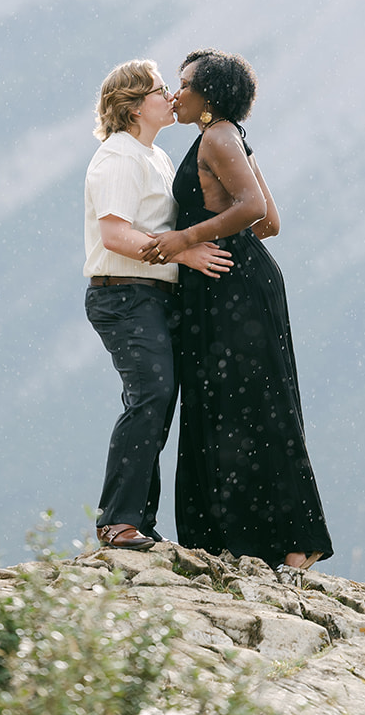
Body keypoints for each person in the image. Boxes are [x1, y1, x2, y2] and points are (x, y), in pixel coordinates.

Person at [144, 49, 333, 571]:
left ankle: (287, 543)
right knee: (250, 407)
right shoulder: (230, 136)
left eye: (183, 85)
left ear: (209, 95)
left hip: (231, 287)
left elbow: (252, 209)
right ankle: (263, 542)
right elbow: (269, 222)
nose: (174, 94)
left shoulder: (217, 137)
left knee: (242, 408)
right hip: (236, 282)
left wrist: (184, 236)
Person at [83, 58, 233, 550]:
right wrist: (185, 251)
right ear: (131, 106)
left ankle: (136, 521)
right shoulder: (120, 157)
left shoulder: (155, 157)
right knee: (150, 394)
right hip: (123, 292)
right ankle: (117, 521)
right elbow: (115, 234)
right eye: (159, 89)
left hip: (150, 294)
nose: (169, 96)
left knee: (157, 400)